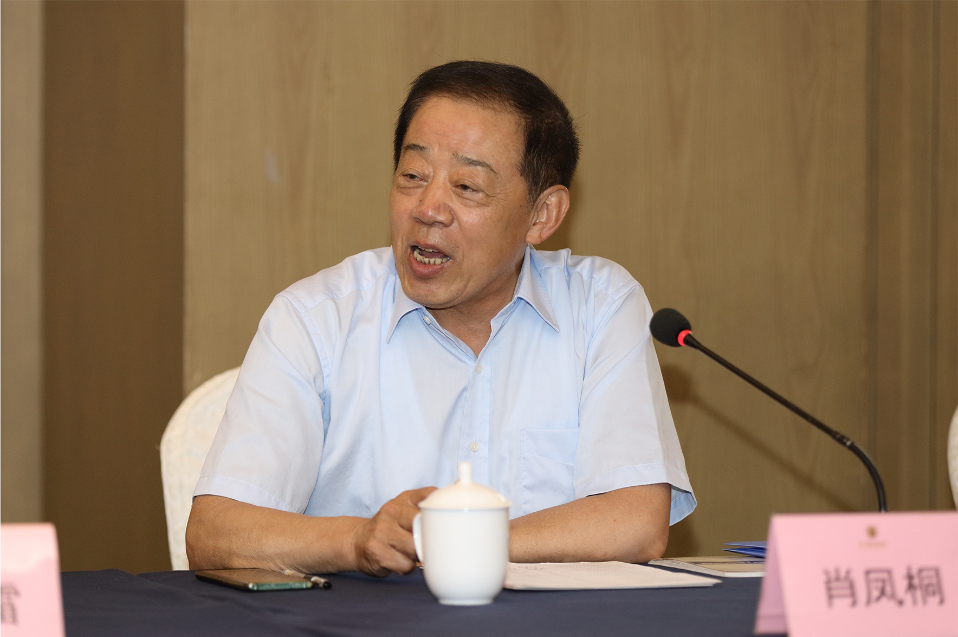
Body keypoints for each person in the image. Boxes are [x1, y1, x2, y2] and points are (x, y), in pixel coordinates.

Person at [186, 61, 695, 577]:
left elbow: (636, 521)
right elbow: (215, 533)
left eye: (467, 186)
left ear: (542, 215)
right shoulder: (316, 318)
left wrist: (459, 541)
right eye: (413, 176)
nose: (428, 208)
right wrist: (356, 540)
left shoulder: (599, 306)